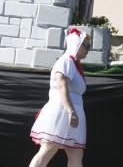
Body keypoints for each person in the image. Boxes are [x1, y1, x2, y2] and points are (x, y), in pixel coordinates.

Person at [29, 28, 91, 167]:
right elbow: (62, 85)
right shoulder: (66, 61)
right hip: (63, 111)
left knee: (75, 154)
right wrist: (70, 111)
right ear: (76, 44)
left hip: (73, 111)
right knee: (48, 149)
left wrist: (73, 112)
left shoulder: (74, 64)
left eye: (89, 46)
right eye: (85, 45)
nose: (88, 49)